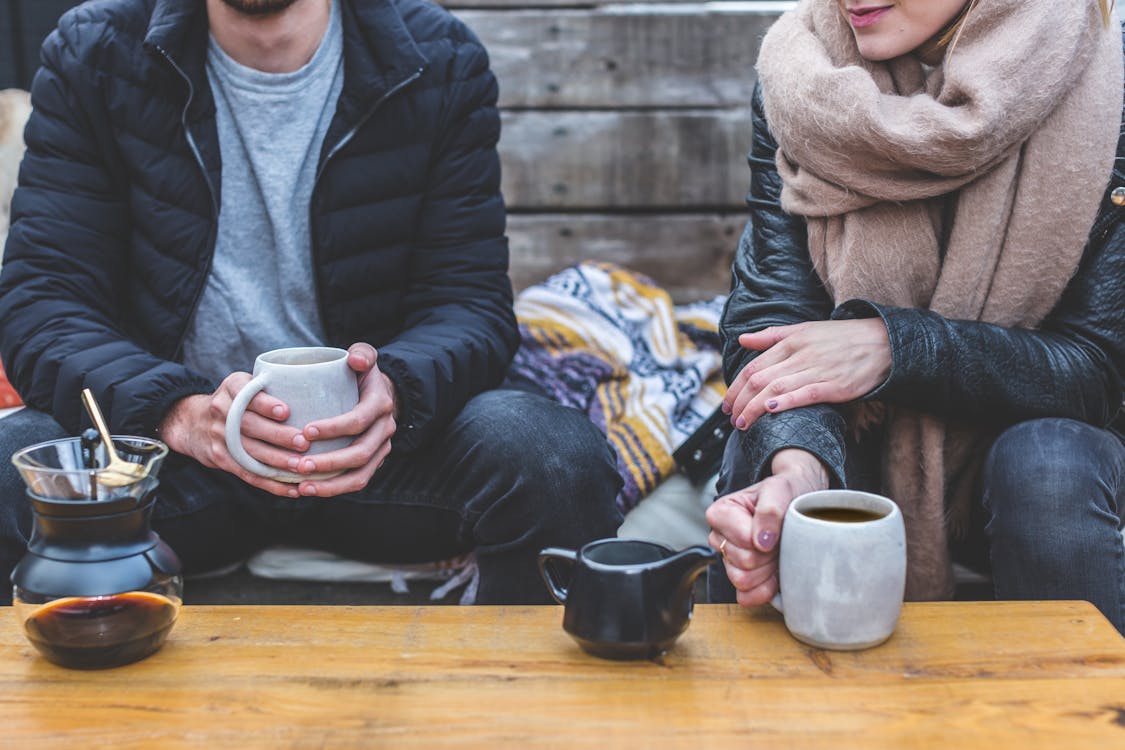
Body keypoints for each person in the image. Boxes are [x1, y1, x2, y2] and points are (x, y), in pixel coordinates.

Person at [0, 0, 624, 605]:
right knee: (12, 457)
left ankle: (520, 706)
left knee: (553, 456)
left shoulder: (437, 56)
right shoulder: (95, 51)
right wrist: (180, 416)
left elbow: (470, 304)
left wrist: (397, 395)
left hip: (376, 459)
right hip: (173, 465)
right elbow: (43, 304)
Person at [707, 0, 1125, 633]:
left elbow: (1096, 369)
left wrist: (894, 349)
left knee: (1049, 464)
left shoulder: (1108, 78)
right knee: (760, 452)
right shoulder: (804, 74)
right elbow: (773, 319)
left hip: (1022, 465)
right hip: (861, 446)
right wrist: (797, 467)